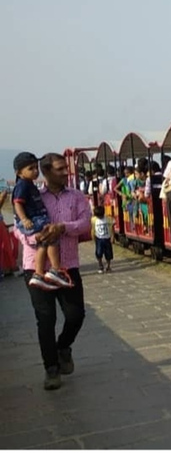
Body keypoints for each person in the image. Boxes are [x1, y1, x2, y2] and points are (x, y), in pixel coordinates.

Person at [14, 152, 92, 390]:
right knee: (45, 319)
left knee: (76, 314)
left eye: (64, 168)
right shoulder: (32, 194)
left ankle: (63, 347)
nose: (64, 173)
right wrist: (34, 236)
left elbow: (85, 223)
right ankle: (51, 369)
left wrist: (62, 228)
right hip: (36, 267)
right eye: (58, 169)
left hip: (67, 265)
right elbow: (18, 227)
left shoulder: (77, 196)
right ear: (46, 172)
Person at [12, 152, 72, 290]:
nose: (35, 171)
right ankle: (55, 270)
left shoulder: (29, 184)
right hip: (34, 219)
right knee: (52, 238)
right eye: (30, 169)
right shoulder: (23, 185)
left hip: (36, 218)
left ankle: (39, 273)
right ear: (19, 172)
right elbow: (17, 203)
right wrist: (25, 219)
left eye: (35, 168)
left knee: (43, 244)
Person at [91, 205, 114, 273]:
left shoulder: (108, 219)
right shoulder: (94, 220)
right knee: (98, 252)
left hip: (107, 238)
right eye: (98, 216)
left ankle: (108, 266)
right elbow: (92, 229)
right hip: (99, 239)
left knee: (108, 253)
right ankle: (100, 265)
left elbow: (112, 228)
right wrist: (93, 237)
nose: (99, 218)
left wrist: (112, 237)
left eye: (100, 216)